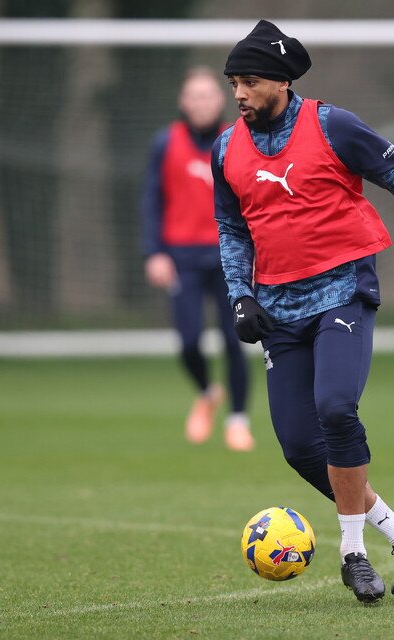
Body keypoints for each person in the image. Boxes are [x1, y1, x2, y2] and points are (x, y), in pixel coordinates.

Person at [213, 20, 394, 603]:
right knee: (299, 447)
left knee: (336, 407)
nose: (239, 93)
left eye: (249, 82)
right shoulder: (224, 148)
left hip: (342, 290)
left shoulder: (333, 126)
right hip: (277, 308)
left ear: (282, 81)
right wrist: (240, 295)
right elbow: (231, 228)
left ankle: (353, 555)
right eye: (233, 83)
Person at [141, 67, 254, 451]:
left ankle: (238, 420)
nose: (201, 103)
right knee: (189, 342)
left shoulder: (237, 138)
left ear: (221, 100)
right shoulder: (165, 142)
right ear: (183, 102)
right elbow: (152, 200)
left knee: (234, 338)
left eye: (208, 95)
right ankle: (207, 392)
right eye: (194, 96)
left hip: (228, 254)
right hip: (182, 257)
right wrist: (155, 252)